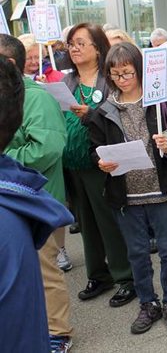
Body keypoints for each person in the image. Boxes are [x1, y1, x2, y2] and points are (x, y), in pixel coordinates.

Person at [89, 42, 167, 334]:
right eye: (115, 75)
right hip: (125, 196)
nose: (122, 80)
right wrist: (102, 163)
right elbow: (94, 149)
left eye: (128, 73)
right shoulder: (105, 109)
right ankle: (148, 303)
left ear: (140, 70)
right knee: (136, 253)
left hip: (162, 191)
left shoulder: (160, 101)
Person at [0, 35, 74, 353]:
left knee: (45, 270)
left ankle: (59, 331)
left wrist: (8, 156)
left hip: (35, 198)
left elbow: (48, 148)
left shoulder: (37, 98)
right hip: (19, 193)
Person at [62, 22, 136, 307]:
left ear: (97, 47)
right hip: (73, 162)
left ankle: (125, 277)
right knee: (86, 221)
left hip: (101, 159)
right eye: (71, 44)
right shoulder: (67, 81)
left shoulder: (108, 79)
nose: (75, 48)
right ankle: (98, 274)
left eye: (81, 43)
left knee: (109, 220)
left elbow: (119, 117)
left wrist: (90, 114)